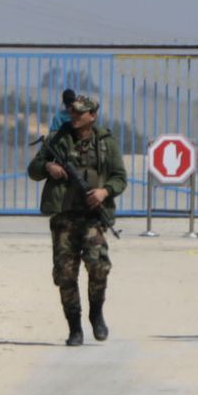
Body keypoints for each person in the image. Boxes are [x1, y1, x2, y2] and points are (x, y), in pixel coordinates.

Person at [27, 95, 127, 346]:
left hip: (92, 216)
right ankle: (74, 327)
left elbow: (119, 177)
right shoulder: (57, 140)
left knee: (99, 266)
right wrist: (48, 167)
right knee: (65, 273)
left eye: (80, 113)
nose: (74, 117)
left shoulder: (105, 143)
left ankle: (96, 312)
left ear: (92, 116)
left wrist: (104, 192)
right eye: (72, 112)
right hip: (64, 217)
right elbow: (33, 170)